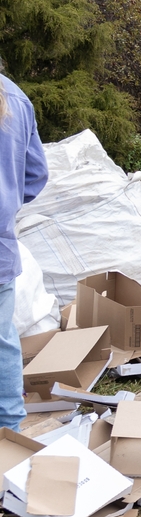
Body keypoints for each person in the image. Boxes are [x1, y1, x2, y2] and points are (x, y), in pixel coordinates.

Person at [0, 73, 48, 431]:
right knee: (3, 344)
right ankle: (10, 436)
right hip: (1, 248)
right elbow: (35, 175)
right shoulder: (15, 96)